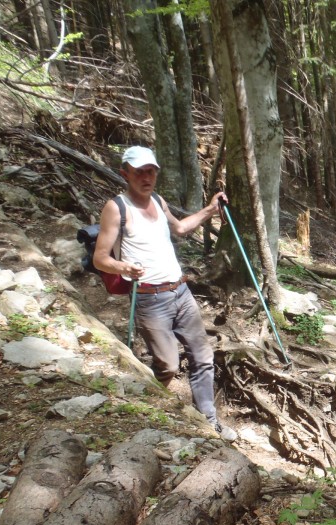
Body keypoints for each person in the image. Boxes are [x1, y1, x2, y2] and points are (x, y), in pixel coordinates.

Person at [93, 145, 236, 441]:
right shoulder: (116, 208)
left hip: (180, 292)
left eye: (151, 171)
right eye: (139, 172)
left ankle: (208, 422)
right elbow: (99, 258)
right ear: (125, 174)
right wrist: (123, 266)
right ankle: (151, 399)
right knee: (169, 365)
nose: (146, 177)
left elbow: (181, 228)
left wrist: (211, 209)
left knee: (203, 356)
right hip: (148, 298)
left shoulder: (157, 200)